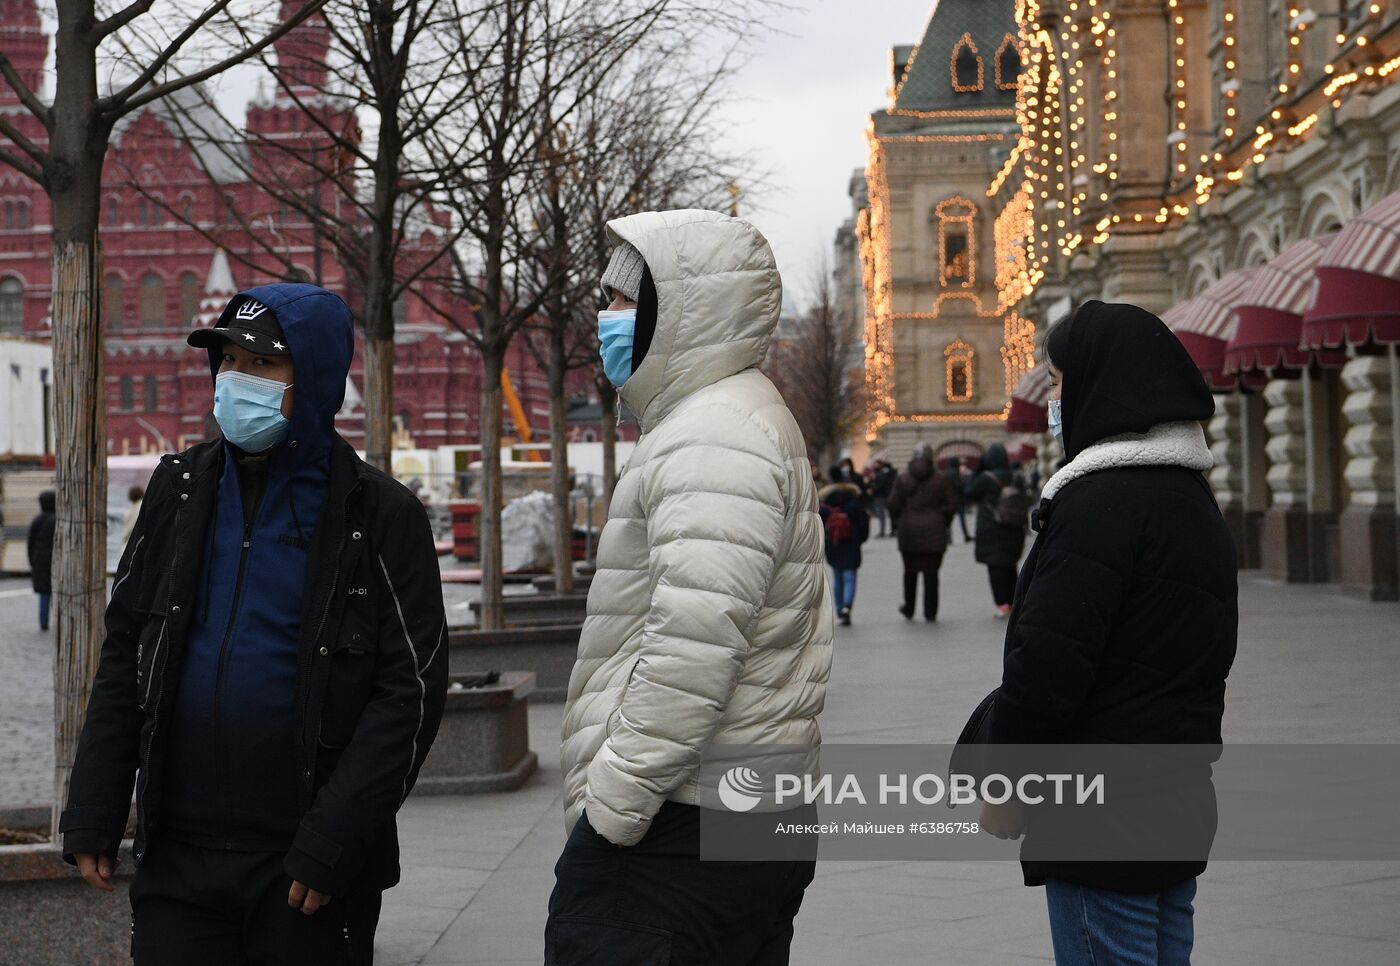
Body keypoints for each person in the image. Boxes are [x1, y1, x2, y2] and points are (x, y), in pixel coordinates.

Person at [60, 284, 448, 964]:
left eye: (264, 365)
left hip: (306, 871)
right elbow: (127, 650)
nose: (238, 379)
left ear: (317, 375)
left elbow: (409, 692)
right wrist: (95, 803)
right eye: (230, 360)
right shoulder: (176, 489)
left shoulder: (380, 514)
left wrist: (335, 840)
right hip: (179, 860)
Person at [550, 210, 833, 964]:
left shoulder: (713, 433)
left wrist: (614, 805)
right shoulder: (728, 417)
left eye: (619, 300)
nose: (603, 317)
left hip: (682, 822)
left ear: (677, 309)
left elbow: (693, 647)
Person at [982, 300, 1237, 965]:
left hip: (1102, 814)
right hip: (1177, 795)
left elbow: (1048, 666)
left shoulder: (1097, 505)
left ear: (1103, 384)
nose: (1055, 399)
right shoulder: (1190, 500)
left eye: (1061, 381)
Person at [887, 443, 953, 622]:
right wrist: (943, 521)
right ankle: (930, 611)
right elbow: (951, 505)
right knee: (932, 573)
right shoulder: (941, 479)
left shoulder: (903, 478)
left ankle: (909, 607)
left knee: (910, 571)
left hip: (909, 531)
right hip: (935, 530)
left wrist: (900, 519)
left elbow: (893, 503)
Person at [966, 443, 1028, 618]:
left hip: (992, 527)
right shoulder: (1016, 476)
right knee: (1010, 566)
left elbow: (969, 492)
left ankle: (1002, 605)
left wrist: (977, 470)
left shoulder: (985, 478)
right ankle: (1015, 603)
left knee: (995, 568)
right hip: (1014, 527)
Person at [819, 476, 870, 626]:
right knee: (850, 577)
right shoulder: (855, 504)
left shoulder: (825, 506)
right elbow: (863, 524)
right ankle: (848, 606)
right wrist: (860, 539)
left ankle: (840, 608)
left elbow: (818, 525)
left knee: (838, 577)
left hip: (834, 544)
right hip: (851, 543)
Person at [26, 489, 55, 632]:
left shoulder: (37, 520)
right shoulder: (57, 520)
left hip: (40, 559)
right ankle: (58, 619)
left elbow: (30, 542)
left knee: (44, 592)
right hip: (54, 560)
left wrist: (31, 559)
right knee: (56, 591)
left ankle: (43, 622)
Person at [943, 458, 971, 544]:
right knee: (962, 519)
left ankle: (948, 539)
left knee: (948, 521)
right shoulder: (955, 472)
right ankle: (966, 535)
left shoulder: (946, 473)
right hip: (958, 500)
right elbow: (959, 485)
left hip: (949, 500)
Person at [869, 459, 897, 538]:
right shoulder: (881, 473)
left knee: (882, 515)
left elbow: (880, 484)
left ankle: (883, 531)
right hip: (883, 495)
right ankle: (890, 530)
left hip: (880, 496)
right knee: (886, 514)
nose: (874, 465)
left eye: (876, 464)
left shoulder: (881, 474)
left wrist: (873, 488)